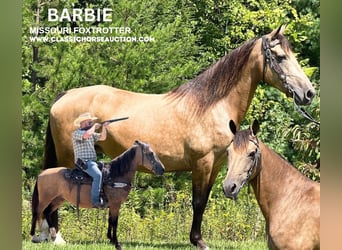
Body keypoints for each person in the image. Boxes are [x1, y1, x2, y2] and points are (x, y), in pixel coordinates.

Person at [72, 112, 110, 208]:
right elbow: (86, 135)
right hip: (84, 162)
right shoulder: (76, 133)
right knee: (97, 175)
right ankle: (95, 201)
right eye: (90, 122)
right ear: (83, 122)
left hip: (92, 162)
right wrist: (94, 127)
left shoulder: (90, 133)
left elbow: (103, 137)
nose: (91, 123)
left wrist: (104, 127)